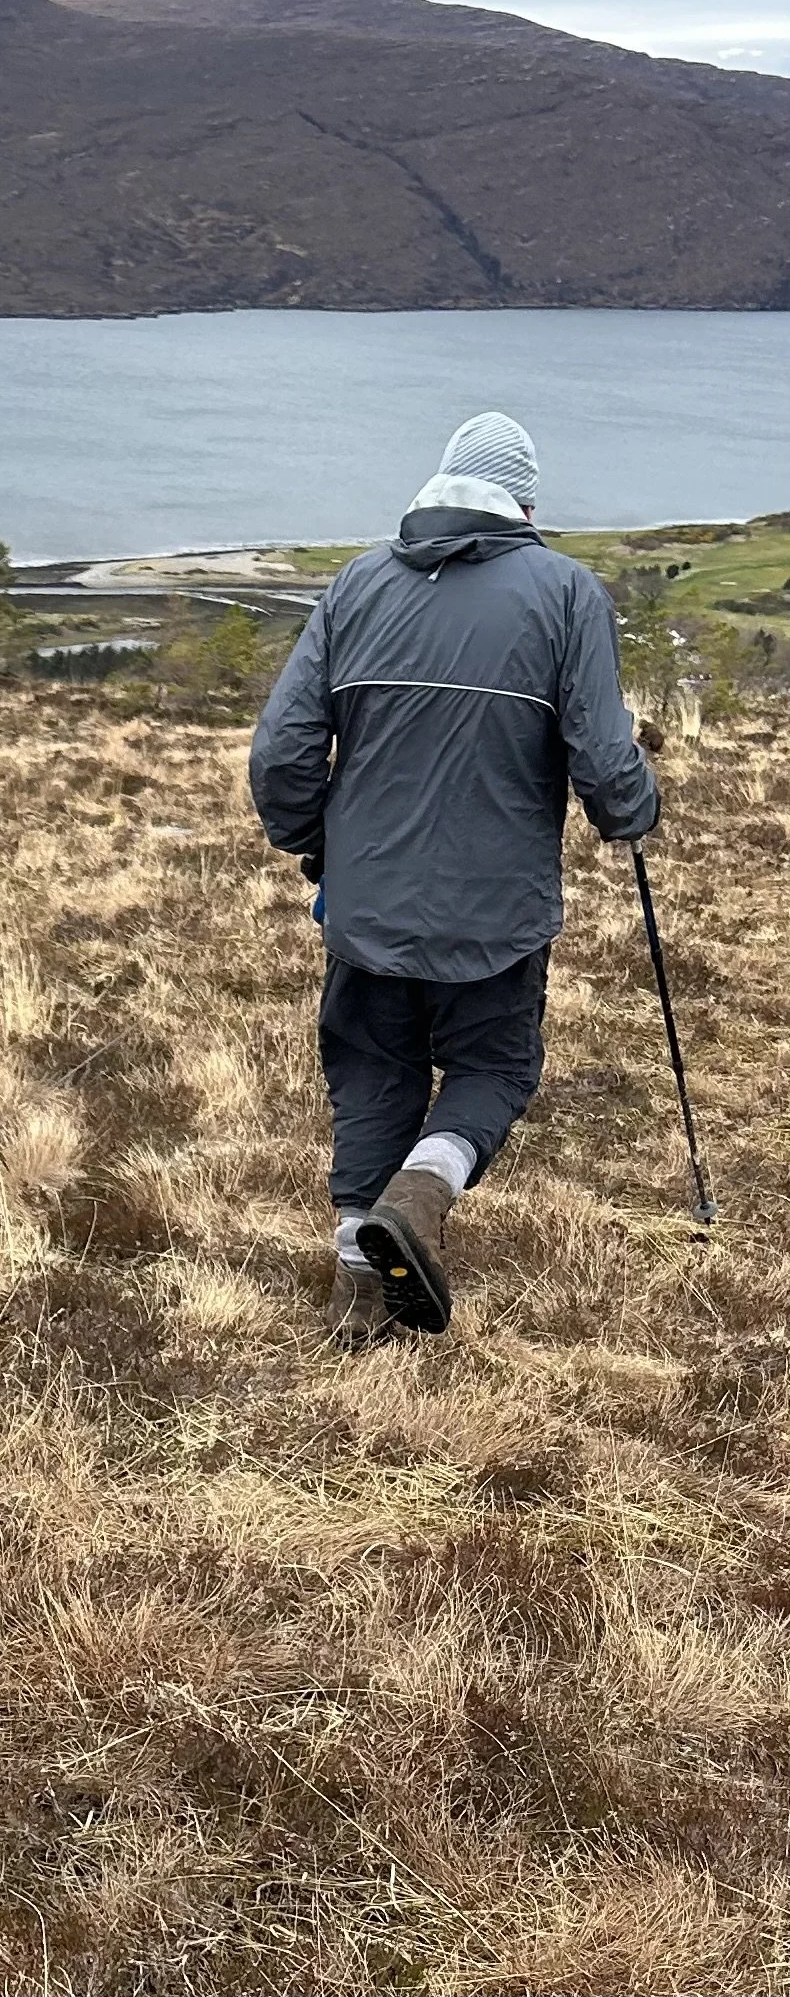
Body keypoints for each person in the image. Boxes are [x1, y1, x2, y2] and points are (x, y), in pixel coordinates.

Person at [248, 412, 660, 1348]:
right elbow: (603, 755)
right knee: (492, 1066)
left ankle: (363, 1302)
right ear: (524, 504)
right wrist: (633, 809)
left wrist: (318, 844)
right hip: (497, 915)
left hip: (366, 907)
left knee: (371, 1072)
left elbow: (280, 751)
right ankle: (422, 1196)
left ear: (438, 489)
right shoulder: (565, 593)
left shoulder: (357, 584)